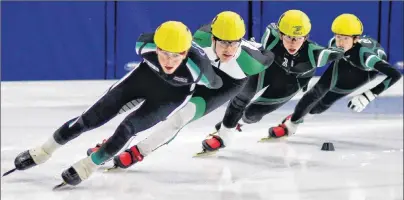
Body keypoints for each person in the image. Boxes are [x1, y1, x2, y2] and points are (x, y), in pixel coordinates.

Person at [4, 21, 222, 188]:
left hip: (170, 97)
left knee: (127, 129)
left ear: (185, 54)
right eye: (163, 53)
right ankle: (44, 151)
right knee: (88, 119)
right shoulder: (143, 45)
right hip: (141, 81)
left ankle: (88, 166)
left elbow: (218, 85)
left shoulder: (201, 69)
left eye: (176, 56)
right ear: (156, 47)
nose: (168, 61)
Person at [87, 11, 275, 169]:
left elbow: (269, 55)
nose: (228, 49)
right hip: (201, 75)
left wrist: (257, 45)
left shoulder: (253, 62)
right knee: (155, 102)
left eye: (234, 43)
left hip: (226, 85)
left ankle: (139, 151)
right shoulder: (200, 38)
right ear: (212, 37)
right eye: (224, 42)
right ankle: (114, 143)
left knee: (182, 117)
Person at [201, 9, 346, 151]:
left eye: (298, 38)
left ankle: (238, 122)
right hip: (269, 70)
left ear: (306, 37)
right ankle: (224, 135)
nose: (293, 43)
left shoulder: (315, 54)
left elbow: (338, 52)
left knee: (252, 115)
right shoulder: (271, 35)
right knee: (242, 97)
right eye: (288, 37)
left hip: (291, 82)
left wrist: (341, 46)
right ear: (281, 34)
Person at [266, 13, 403, 139]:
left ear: (356, 39)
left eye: (345, 38)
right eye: (338, 37)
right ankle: (290, 125)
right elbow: (315, 60)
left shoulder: (366, 56)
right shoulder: (334, 44)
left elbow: (395, 74)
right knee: (317, 91)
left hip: (364, 71)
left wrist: (368, 96)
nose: (340, 42)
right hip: (345, 60)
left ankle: (295, 118)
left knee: (321, 105)